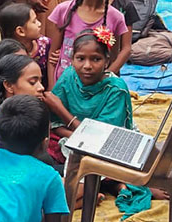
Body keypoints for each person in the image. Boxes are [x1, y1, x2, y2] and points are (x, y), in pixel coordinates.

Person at [49, 30, 132, 164]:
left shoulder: (115, 89)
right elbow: (54, 123)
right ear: (72, 60)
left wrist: (61, 110)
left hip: (103, 146)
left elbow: (100, 138)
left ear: (106, 61)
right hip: (68, 137)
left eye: (96, 59)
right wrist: (76, 138)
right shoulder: (69, 76)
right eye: (81, 59)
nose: (87, 66)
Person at [48, 0, 131, 83]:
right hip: (64, 85)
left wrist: (107, 78)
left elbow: (114, 56)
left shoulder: (115, 17)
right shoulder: (63, 11)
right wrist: (52, 88)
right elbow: (52, 56)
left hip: (97, 87)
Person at [0, 54, 70, 161]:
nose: (41, 87)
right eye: (32, 82)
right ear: (9, 85)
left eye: (40, 81)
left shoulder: (35, 108)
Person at [0, 3, 51, 86]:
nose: (39, 24)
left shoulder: (45, 44)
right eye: (34, 21)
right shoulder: (5, 54)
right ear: (20, 31)